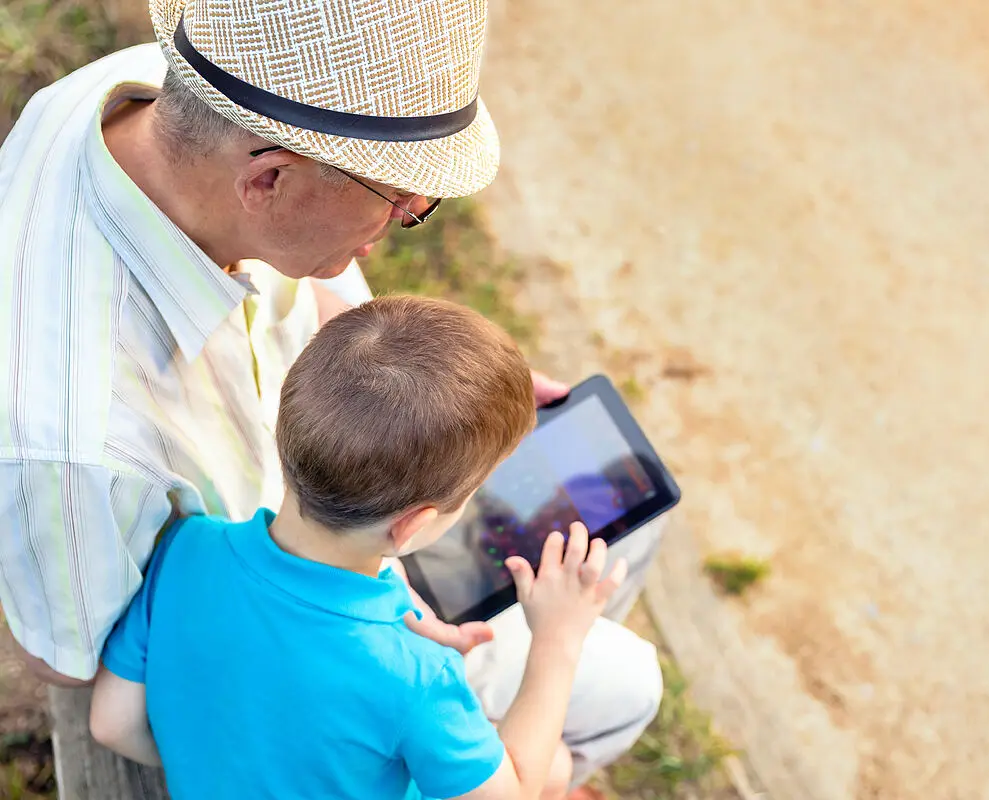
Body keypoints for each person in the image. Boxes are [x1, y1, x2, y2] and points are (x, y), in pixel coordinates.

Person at [0, 0, 663, 787]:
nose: (408, 216)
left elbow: (127, 702)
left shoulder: (168, 95)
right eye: (398, 201)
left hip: (306, 524)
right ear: (270, 179)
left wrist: (447, 393)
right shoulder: (74, 443)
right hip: (326, 628)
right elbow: (67, 660)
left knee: (603, 508)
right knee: (623, 678)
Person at [89, 295, 624, 800]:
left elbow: (111, 724)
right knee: (548, 765)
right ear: (413, 526)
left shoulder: (187, 547)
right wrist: (557, 639)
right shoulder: (417, 674)